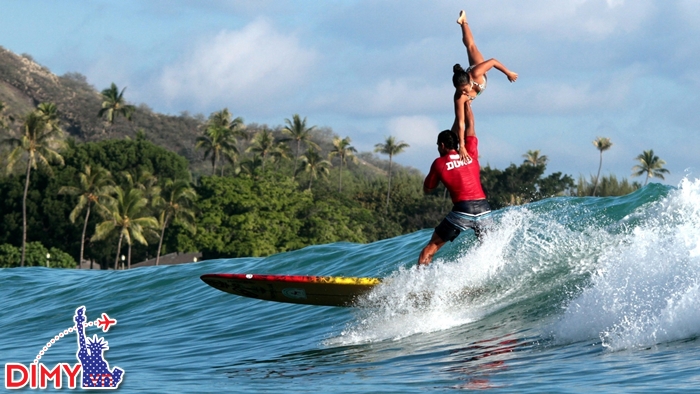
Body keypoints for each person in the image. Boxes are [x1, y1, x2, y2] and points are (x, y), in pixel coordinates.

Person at [418, 103, 491, 266]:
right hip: (484, 209)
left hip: (462, 210)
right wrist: (466, 103)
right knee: (488, 247)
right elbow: (470, 124)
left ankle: (418, 286)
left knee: (431, 247)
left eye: (438, 145)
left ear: (442, 145)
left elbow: (428, 189)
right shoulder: (470, 153)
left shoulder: (439, 163)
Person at [452, 9, 518, 163]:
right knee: (458, 120)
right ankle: (452, 146)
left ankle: (464, 22)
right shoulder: (459, 97)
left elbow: (494, 61)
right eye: (459, 90)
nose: (463, 92)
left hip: (479, 74)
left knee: (471, 47)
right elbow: (461, 122)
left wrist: (508, 73)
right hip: (473, 88)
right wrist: (461, 145)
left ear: (468, 81)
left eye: (464, 89)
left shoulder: (475, 72)